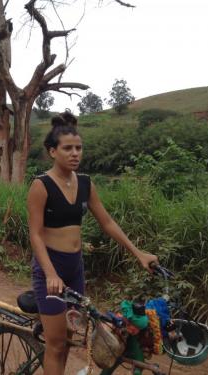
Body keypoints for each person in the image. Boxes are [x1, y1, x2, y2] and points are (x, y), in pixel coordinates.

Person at [27, 111, 158, 375]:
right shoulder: (41, 186)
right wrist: (51, 273)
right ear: (52, 151)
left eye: (78, 148)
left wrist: (138, 253)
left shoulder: (86, 184)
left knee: (69, 340)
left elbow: (107, 222)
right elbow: (35, 234)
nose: (75, 153)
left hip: (75, 269)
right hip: (50, 271)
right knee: (55, 344)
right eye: (67, 148)